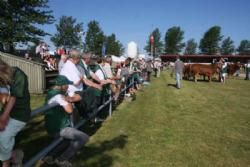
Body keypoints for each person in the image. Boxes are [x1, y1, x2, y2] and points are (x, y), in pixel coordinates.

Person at [44, 75, 89, 166]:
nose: (68, 86)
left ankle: (49, 156)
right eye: (66, 84)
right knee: (84, 137)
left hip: (54, 125)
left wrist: (68, 98)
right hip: (59, 127)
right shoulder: (58, 96)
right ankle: (62, 159)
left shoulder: (52, 92)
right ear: (61, 85)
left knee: (66, 141)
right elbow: (70, 110)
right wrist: (68, 100)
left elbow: (76, 99)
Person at [0, 59, 31, 167]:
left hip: (20, 114)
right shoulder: (3, 78)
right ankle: (15, 155)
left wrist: (4, 117)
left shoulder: (18, 74)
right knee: (4, 141)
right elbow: (4, 97)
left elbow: (13, 97)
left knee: (4, 137)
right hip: (7, 111)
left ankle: (7, 163)